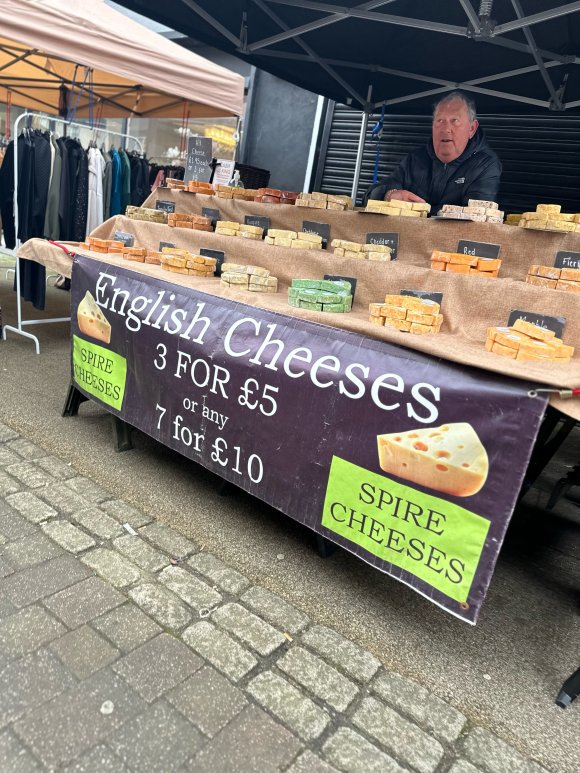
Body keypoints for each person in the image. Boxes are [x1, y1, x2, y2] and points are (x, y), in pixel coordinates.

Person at [365, 91, 502, 211]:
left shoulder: (485, 164)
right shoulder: (415, 160)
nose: (445, 129)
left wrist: (418, 211)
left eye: (454, 120)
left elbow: (475, 217)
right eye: (440, 120)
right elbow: (369, 196)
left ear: (472, 128)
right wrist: (388, 195)